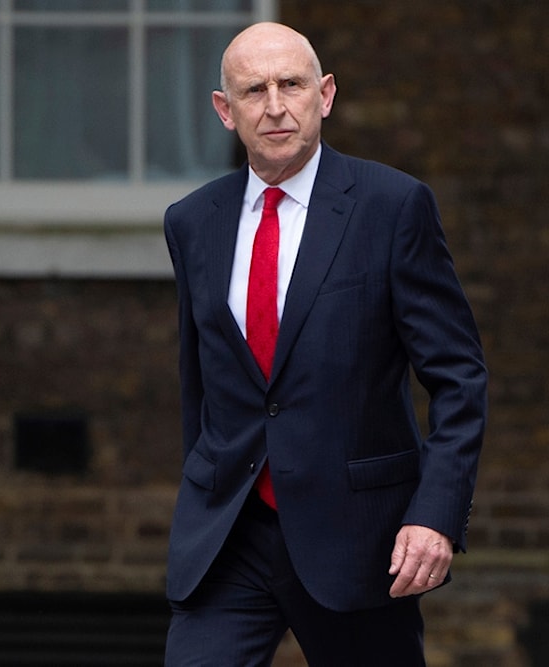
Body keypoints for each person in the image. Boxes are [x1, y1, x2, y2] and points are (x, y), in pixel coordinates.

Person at [162, 22, 487, 666]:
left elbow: (458, 377)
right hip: (230, 538)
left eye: (292, 85)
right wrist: (203, 490)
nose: (276, 106)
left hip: (359, 542)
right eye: (254, 91)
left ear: (326, 94)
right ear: (225, 111)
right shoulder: (193, 222)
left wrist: (437, 514)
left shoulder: (392, 207)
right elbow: (200, 380)